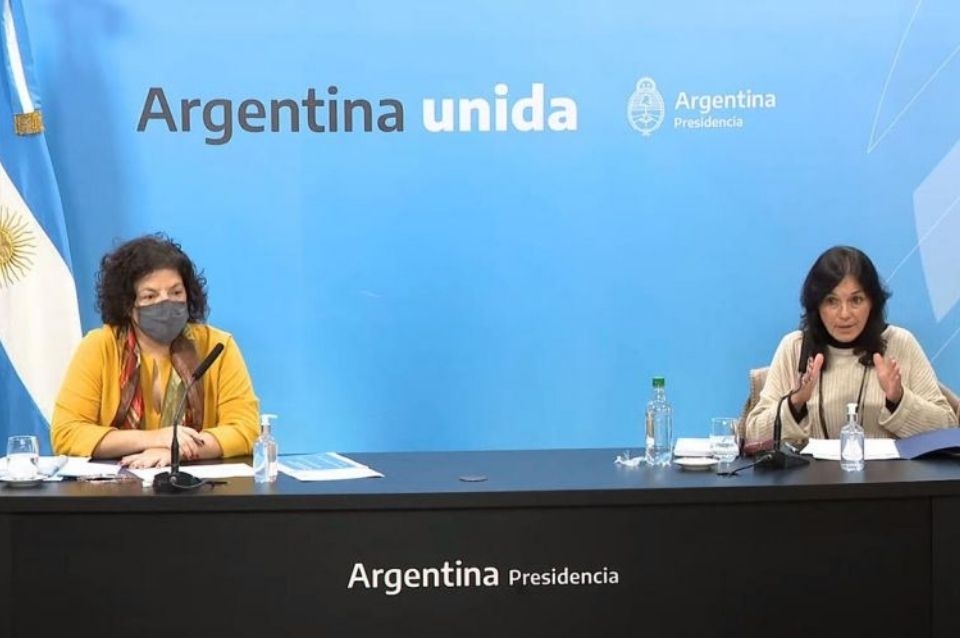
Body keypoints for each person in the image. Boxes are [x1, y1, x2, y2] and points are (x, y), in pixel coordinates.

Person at [51, 234, 259, 468]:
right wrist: (155, 438)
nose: (166, 303)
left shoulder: (217, 347)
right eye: (150, 296)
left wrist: (177, 451)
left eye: (176, 292)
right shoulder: (100, 347)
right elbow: (67, 433)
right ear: (127, 304)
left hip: (194, 484)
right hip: (116, 484)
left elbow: (246, 428)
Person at [744, 245, 957, 446]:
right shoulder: (795, 348)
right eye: (831, 301)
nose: (845, 314)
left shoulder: (900, 343)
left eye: (856, 300)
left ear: (872, 302)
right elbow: (753, 435)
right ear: (817, 305)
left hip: (890, 474)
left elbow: (948, 427)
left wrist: (899, 399)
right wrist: (796, 401)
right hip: (810, 474)